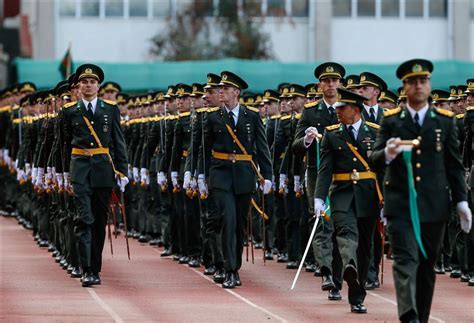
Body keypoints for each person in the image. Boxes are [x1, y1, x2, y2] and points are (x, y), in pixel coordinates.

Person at [369, 59, 472, 323]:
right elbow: (374, 158)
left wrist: (461, 202)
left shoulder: (445, 122)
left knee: (426, 267)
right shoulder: (391, 120)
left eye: (423, 81)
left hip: (433, 205)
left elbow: (454, 165)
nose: (418, 86)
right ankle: (409, 316)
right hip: (400, 204)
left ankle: (420, 318)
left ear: (429, 85)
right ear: (404, 87)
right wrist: (388, 153)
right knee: (405, 261)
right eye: (412, 82)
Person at [198, 71, 273, 289]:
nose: (221, 92)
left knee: (239, 224)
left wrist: (267, 175)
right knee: (227, 220)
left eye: (225, 89)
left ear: (236, 92)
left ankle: (234, 265)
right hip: (220, 174)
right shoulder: (212, 117)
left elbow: (262, 147)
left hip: (243, 175)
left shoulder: (252, 116)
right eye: (219, 88)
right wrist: (201, 175)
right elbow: (205, 150)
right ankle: (230, 269)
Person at [314, 88, 381, 313]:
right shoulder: (332, 134)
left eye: (342, 107)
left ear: (355, 109)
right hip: (342, 194)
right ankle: (348, 264)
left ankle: (357, 295)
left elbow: (384, 170)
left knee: (365, 247)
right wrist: (318, 198)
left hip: (368, 195)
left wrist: (388, 201)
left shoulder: (376, 132)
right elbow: (325, 170)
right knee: (345, 233)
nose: (337, 110)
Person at [62, 64, 129, 287]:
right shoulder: (70, 111)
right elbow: (64, 145)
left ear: (98, 86)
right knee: (84, 218)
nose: (88, 86)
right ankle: (86, 269)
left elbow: (118, 143)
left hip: (103, 169)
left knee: (100, 221)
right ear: (79, 86)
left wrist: (122, 171)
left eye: (92, 82)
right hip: (80, 168)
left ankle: (95, 267)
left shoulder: (110, 109)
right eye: (84, 82)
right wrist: (63, 174)